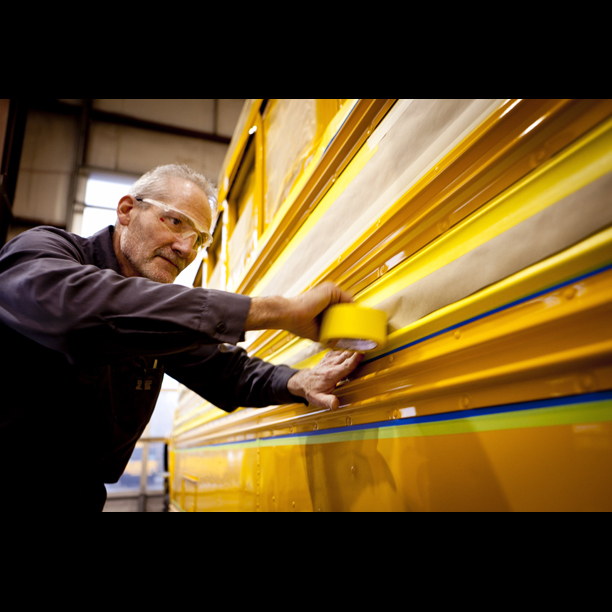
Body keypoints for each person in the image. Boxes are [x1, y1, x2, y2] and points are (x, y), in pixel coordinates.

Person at [0, 163, 363, 511]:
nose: (186, 249)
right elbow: (80, 311)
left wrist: (298, 381)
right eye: (175, 222)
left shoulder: (158, 319)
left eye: (199, 240)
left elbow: (227, 371)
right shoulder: (42, 252)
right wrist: (278, 312)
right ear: (127, 210)